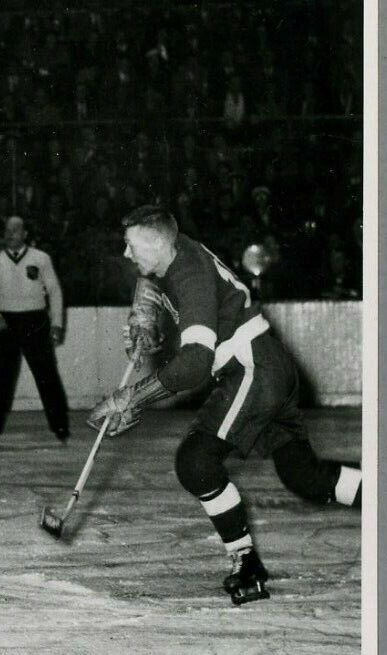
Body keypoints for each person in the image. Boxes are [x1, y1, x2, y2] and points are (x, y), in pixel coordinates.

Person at [90, 205, 365, 604]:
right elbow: (149, 280)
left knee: (195, 461)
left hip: (252, 368)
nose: (127, 254)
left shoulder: (190, 276)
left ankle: (246, 563)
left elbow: (194, 365)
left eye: (131, 246)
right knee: (304, 477)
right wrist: (143, 317)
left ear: (156, 243)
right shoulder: (175, 253)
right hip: (270, 366)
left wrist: (132, 398)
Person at [0, 214, 70, 444]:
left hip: (35, 320)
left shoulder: (41, 259)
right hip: (5, 321)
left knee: (46, 374)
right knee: (0, 376)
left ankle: (60, 427)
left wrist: (57, 324)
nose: (11, 234)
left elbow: (55, 291)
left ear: (25, 234)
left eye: (16, 230)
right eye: (8, 230)